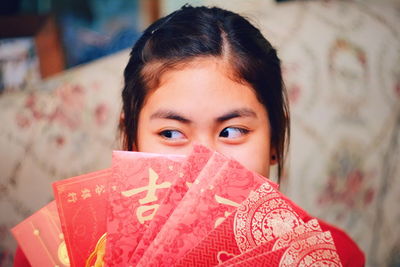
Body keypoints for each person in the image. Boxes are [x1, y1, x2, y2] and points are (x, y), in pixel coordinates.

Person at [14, 5, 365, 266]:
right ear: (131, 139)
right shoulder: (56, 249)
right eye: (170, 133)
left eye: (231, 131)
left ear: (274, 141)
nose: (203, 165)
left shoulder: (332, 255)